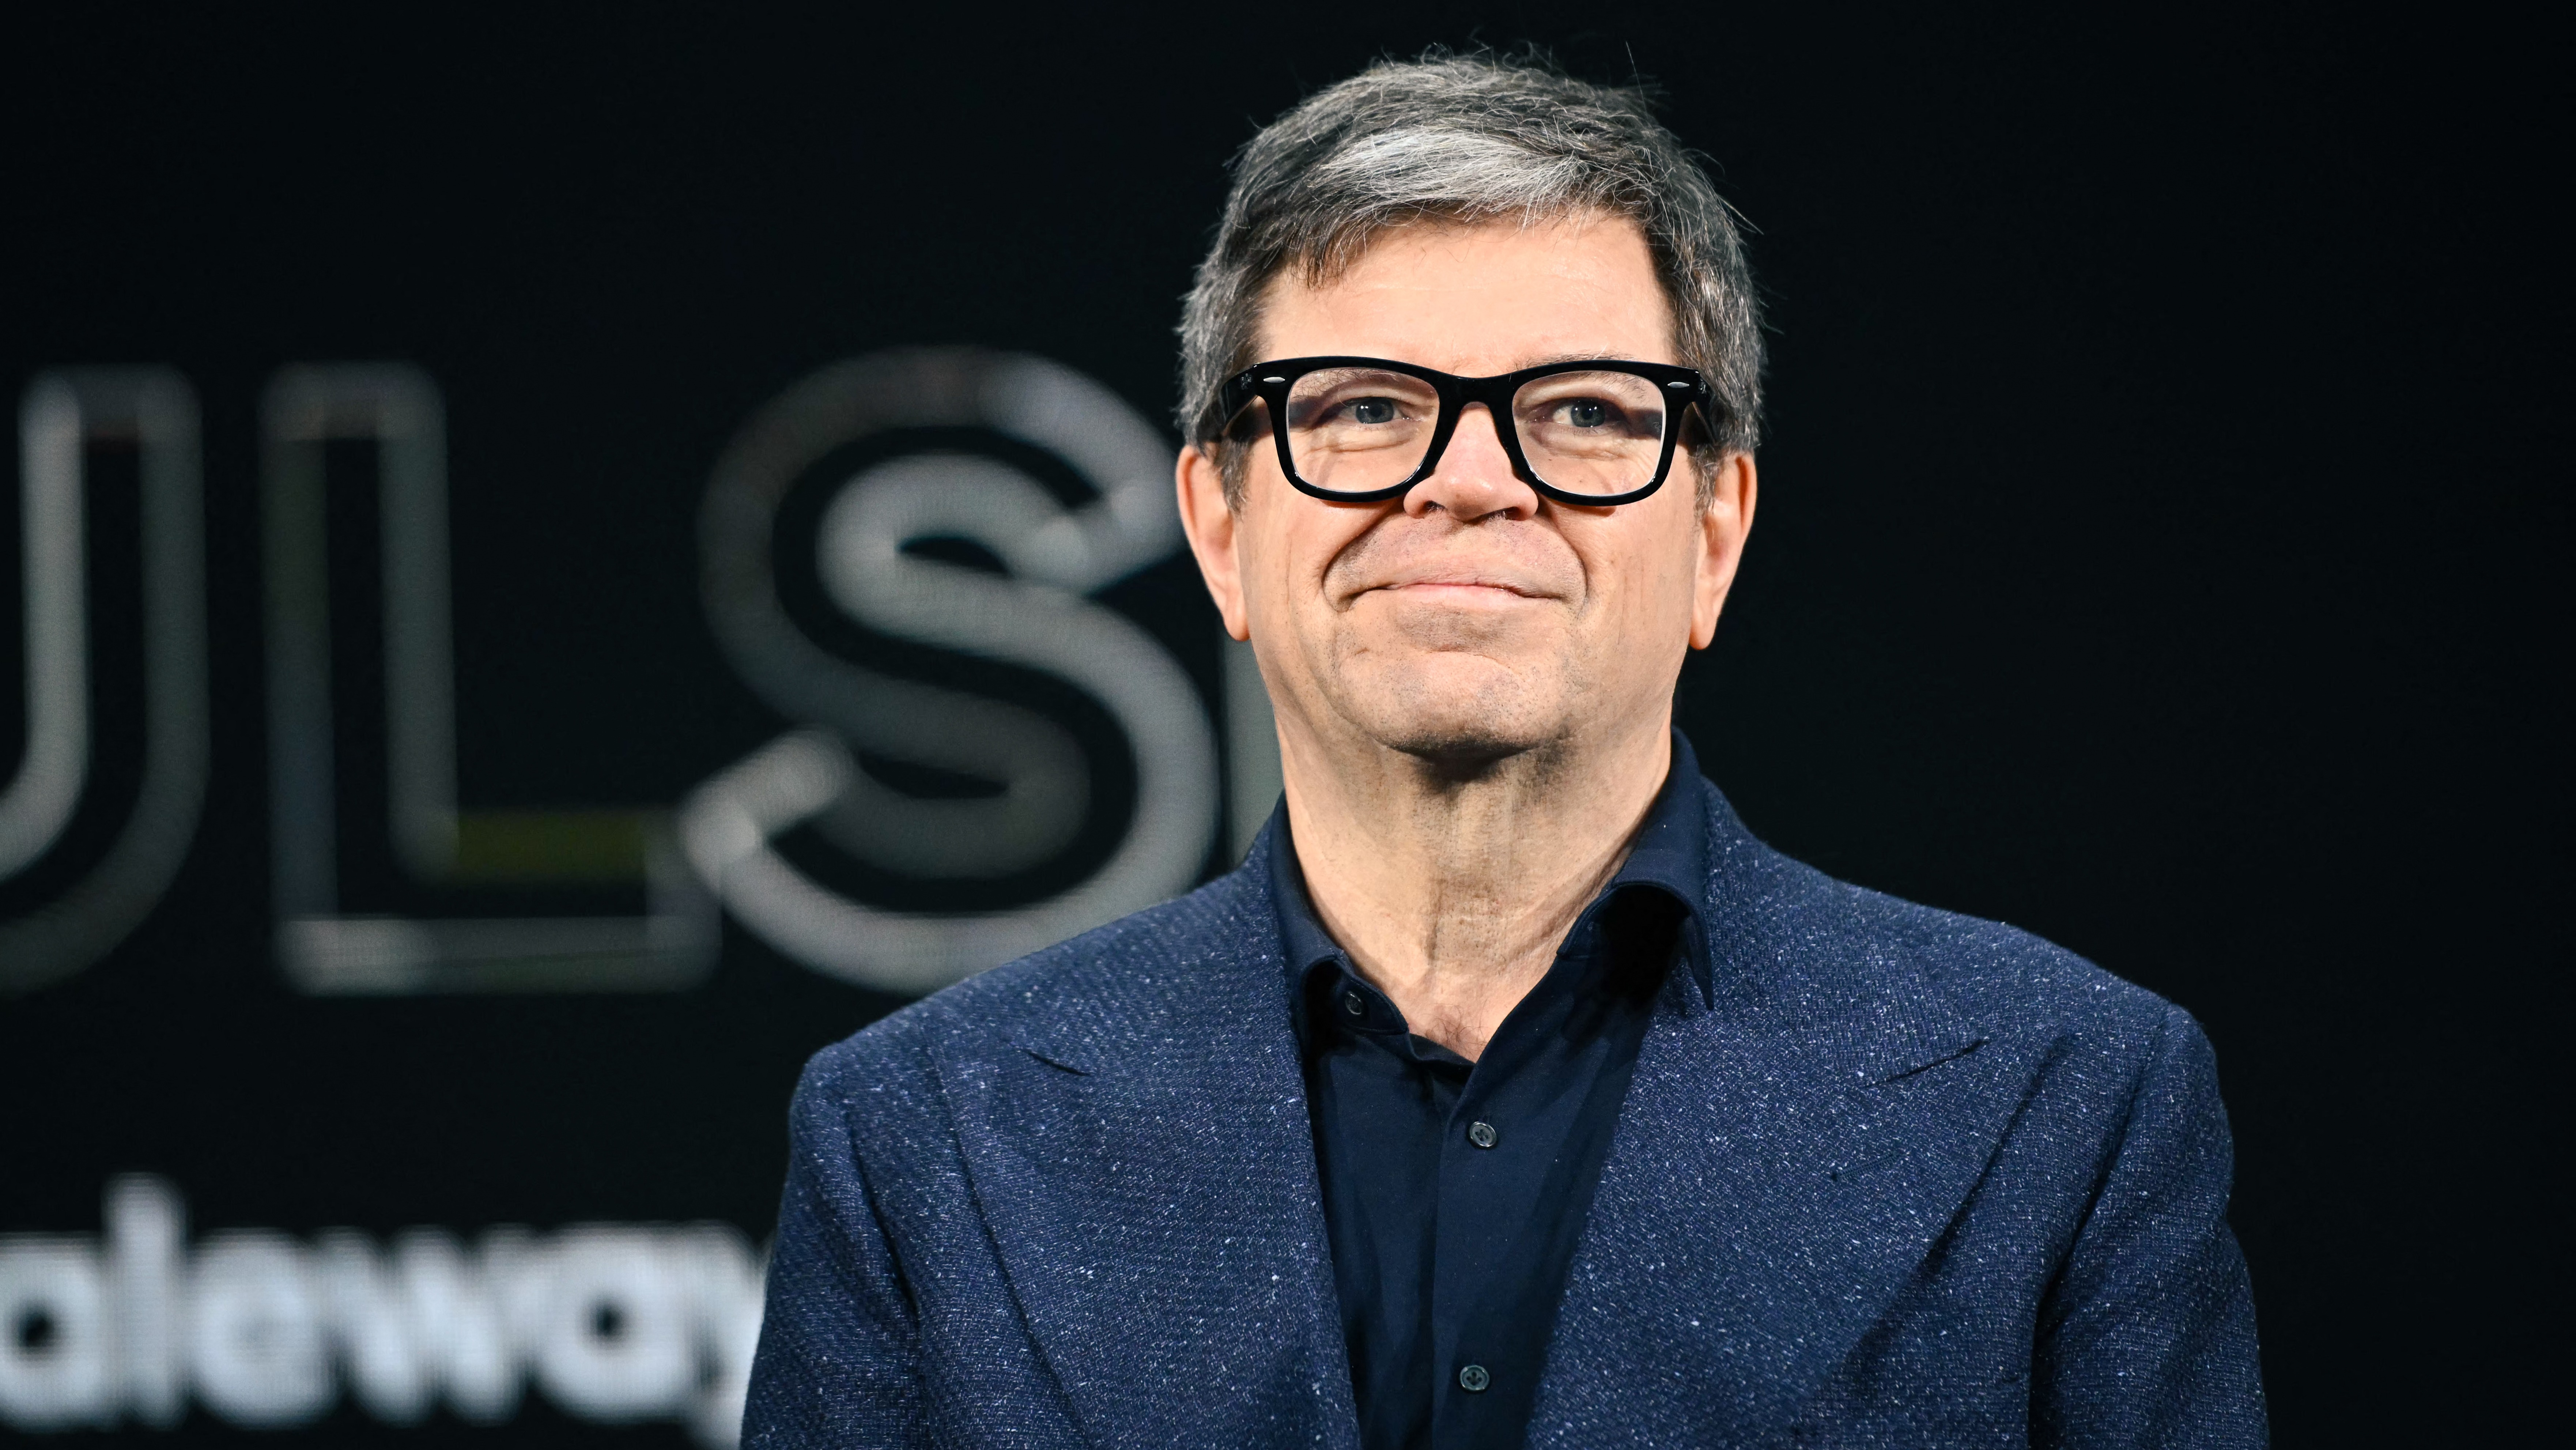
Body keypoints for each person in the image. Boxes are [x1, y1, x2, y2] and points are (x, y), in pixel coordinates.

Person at [744, 52, 2265, 1450]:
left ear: (1716, 533)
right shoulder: (918, 1136)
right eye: (1362, 406)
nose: (1470, 480)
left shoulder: (2072, 1098)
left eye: (1585, 411)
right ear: (1217, 527)